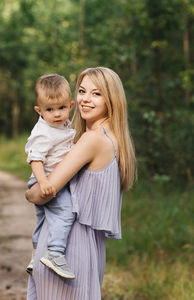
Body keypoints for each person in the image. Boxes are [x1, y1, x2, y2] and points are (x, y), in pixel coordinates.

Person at [25, 67, 136, 299]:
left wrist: (30, 193)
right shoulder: (113, 139)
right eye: (82, 91)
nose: (85, 99)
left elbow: (42, 193)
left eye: (96, 94)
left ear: (111, 100)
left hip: (67, 246)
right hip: (90, 248)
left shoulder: (91, 140)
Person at [24, 74, 76, 279]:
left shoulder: (64, 125)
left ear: (70, 105)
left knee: (43, 220)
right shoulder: (43, 131)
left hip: (49, 179)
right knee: (66, 211)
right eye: (50, 109)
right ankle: (55, 252)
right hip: (46, 180)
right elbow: (35, 159)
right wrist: (44, 182)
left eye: (62, 108)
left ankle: (35, 256)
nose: (57, 114)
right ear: (39, 110)